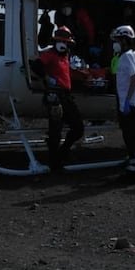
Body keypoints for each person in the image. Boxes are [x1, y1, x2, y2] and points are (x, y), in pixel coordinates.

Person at [30, 26, 84, 173]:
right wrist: (46, 78)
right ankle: (55, 162)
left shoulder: (66, 56)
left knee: (78, 128)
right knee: (55, 131)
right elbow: (36, 65)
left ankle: (62, 152)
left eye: (65, 42)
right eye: (60, 41)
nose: (63, 45)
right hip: (54, 96)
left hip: (66, 96)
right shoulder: (50, 54)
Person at [111, 25, 135, 183]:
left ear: (125, 40)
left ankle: (133, 172)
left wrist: (126, 101)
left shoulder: (127, 57)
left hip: (130, 104)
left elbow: (134, 79)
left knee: (131, 138)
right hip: (132, 103)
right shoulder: (133, 55)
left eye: (117, 40)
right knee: (133, 138)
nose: (115, 43)